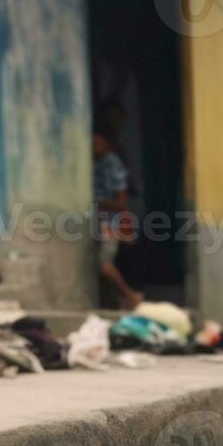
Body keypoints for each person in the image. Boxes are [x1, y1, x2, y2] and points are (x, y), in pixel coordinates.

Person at [92, 126, 142, 311]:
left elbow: (121, 202)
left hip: (109, 222)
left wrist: (95, 205)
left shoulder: (112, 164)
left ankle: (131, 295)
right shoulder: (92, 163)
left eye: (97, 143)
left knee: (105, 264)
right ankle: (121, 300)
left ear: (106, 144)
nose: (93, 146)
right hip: (95, 222)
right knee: (99, 266)